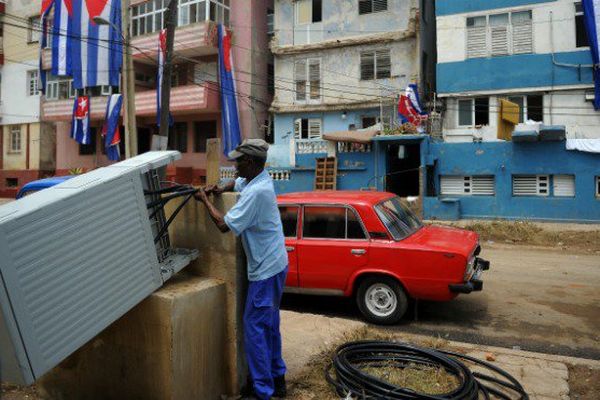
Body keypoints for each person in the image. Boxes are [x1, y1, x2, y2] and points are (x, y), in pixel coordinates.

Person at [195, 139, 288, 400]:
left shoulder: (256, 194)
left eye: (238, 162)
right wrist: (219, 187)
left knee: (255, 328)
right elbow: (236, 183)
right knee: (269, 325)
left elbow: (224, 225)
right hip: (276, 263)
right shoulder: (259, 180)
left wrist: (204, 199)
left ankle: (262, 392)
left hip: (266, 269)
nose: (234, 166)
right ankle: (277, 378)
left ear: (249, 162)